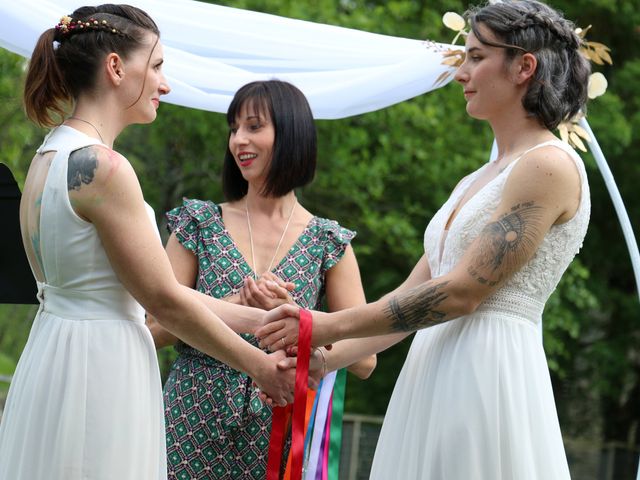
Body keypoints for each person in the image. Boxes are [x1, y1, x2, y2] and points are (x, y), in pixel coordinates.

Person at [257, 1, 591, 478]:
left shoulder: (548, 164)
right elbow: (409, 299)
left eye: (477, 57)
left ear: (524, 66)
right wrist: (322, 359)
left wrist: (323, 325)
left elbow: (461, 292)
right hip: (433, 369)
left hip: (487, 373)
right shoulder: (478, 178)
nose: (462, 74)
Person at [0, 6, 294, 480]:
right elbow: (165, 302)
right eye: (156, 66)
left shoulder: (48, 155)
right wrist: (260, 366)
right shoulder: (105, 169)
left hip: (54, 353)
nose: (165, 83)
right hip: (100, 366)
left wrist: (266, 321)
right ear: (116, 67)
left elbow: (154, 290)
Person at [146, 79, 376, 480]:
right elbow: (153, 329)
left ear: (290, 134)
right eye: (234, 128)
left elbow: (365, 359)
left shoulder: (329, 241)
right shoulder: (197, 223)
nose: (238, 140)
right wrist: (232, 307)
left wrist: (294, 320)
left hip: (280, 427)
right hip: (192, 415)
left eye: (253, 126)